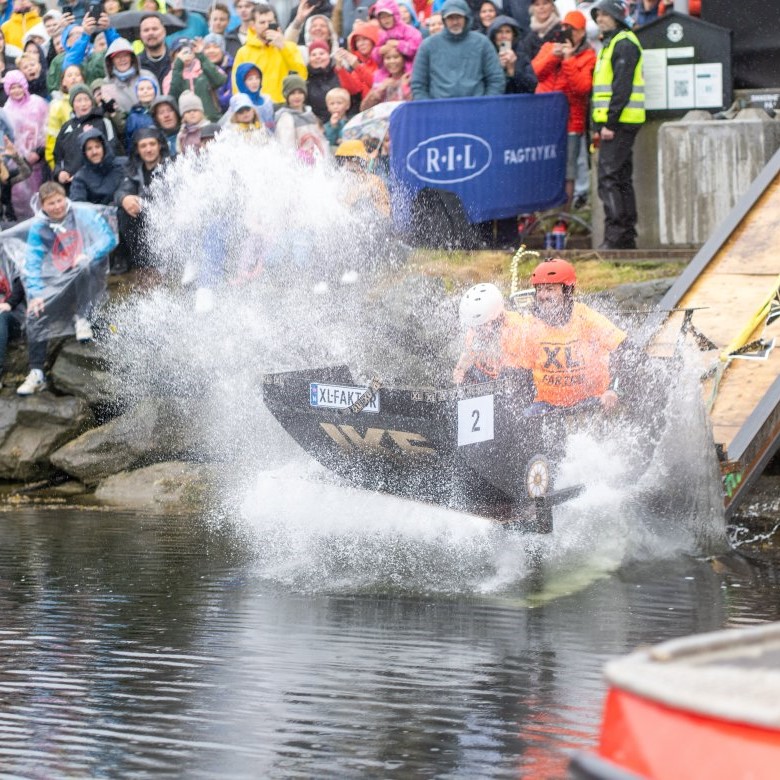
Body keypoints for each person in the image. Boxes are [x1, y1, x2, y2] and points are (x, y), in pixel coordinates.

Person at [17, 181, 117, 395]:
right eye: (50, 203)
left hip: (88, 275)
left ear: (65, 198)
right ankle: (36, 372)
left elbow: (108, 237)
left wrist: (88, 253)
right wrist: (35, 295)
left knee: (83, 266)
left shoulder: (81, 214)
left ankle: (82, 317)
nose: (56, 206)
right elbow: (32, 263)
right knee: (35, 313)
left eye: (59, 200)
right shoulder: (39, 227)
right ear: (43, 205)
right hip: (58, 282)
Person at [504, 258, 634, 410]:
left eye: (550, 289)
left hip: (593, 401)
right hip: (547, 406)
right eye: (539, 289)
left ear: (567, 291)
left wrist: (614, 390)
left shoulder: (587, 318)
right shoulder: (529, 327)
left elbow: (627, 350)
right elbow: (518, 372)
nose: (543, 295)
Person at [590, 0, 644, 250]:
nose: (600, 18)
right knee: (620, 178)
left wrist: (608, 122)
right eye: (598, 15)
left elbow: (621, 88)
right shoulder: (612, 43)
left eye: (604, 14)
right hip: (616, 122)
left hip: (619, 123)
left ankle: (615, 237)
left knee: (610, 178)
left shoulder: (622, 43)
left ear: (616, 16)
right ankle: (625, 236)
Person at [532, 10, 595, 209]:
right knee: (545, 166)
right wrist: (554, 56)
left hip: (571, 122)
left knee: (568, 170)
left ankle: (563, 214)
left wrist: (568, 60)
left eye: (573, 30)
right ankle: (544, 212)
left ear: (582, 32)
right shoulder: (549, 47)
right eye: (566, 28)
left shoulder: (589, 55)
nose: (568, 33)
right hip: (545, 119)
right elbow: (536, 72)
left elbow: (582, 88)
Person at [411, 0, 504, 100]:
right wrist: (430, 108)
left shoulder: (482, 43)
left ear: (466, 18)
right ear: (444, 20)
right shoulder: (428, 45)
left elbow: (496, 79)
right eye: (450, 18)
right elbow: (418, 84)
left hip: (477, 108)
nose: (455, 22)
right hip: (439, 109)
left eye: (458, 17)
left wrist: (486, 104)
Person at [115, 126, 170, 269]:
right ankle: (139, 261)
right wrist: (124, 199)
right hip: (141, 216)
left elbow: (165, 194)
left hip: (166, 217)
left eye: (152, 144)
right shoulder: (134, 168)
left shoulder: (171, 166)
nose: (148, 149)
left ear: (159, 146)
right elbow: (121, 191)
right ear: (138, 150)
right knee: (122, 212)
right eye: (143, 146)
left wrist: (140, 201)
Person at [453, 282, 527, 385]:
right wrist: (460, 370)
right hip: (486, 378)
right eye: (475, 328)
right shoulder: (475, 328)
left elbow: (513, 378)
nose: (477, 332)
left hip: (512, 380)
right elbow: (467, 356)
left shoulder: (515, 332)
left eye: (481, 327)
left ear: (496, 319)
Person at [232, 3, 307, 104]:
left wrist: (283, 48)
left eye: (270, 22)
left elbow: (301, 76)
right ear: (253, 26)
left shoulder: (289, 47)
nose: (267, 26)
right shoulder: (244, 52)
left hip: (284, 105)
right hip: (256, 106)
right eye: (262, 22)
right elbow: (237, 84)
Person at [53, 83, 121, 189]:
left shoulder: (104, 122)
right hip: (71, 186)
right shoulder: (66, 127)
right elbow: (58, 157)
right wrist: (60, 173)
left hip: (100, 184)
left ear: (92, 102)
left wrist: (85, 175)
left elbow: (112, 151)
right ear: (72, 104)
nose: (83, 104)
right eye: (78, 100)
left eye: (86, 99)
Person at [2, 69, 47, 220]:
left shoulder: (38, 103)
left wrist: (40, 151)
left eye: (19, 86)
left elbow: (46, 128)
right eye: (12, 87)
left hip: (40, 160)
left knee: (42, 195)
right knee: (22, 201)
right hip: (18, 163)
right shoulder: (6, 110)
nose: (16, 91)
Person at [166, 36, 227, 122]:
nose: (186, 53)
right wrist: (179, 65)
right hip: (186, 124)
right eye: (179, 51)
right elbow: (172, 97)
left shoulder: (204, 66)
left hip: (212, 121)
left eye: (189, 49)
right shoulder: (170, 76)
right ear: (173, 55)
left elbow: (220, 80)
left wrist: (201, 55)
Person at [69, 126, 128, 205]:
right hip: (96, 215)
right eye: (89, 149)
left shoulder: (124, 164)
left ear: (104, 147)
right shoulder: (80, 177)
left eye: (97, 147)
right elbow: (78, 205)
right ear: (84, 153)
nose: (94, 152)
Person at [274, 73, 327, 158]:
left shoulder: (310, 114)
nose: (297, 96)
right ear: (286, 95)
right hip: (300, 162)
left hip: (315, 159)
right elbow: (286, 146)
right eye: (293, 93)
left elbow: (320, 139)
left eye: (300, 92)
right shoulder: (287, 118)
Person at [332, 21, 378, 109]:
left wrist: (357, 65)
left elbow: (377, 84)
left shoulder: (382, 60)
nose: (361, 43)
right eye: (357, 41)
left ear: (373, 39)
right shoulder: (362, 65)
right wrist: (340, 68)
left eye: (364, 39)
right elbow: (353, 89)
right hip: (370, 111)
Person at [486, 15, 536, 94]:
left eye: (508, 32)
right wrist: (498, 68)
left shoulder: (522, 57)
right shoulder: (487, 57)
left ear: (514, 35)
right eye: (499, 32)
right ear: (494, 36)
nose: (504, 36)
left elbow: (532, 86)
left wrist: (512, 71)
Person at [372, 0, 422, 78]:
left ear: (395, 15)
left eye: (388, 16)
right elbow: (375, 56)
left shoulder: (408, 30)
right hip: (388, 73)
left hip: (410, 71)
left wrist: (399, 44)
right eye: (382, 17)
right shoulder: (381, 34)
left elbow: (417, 49)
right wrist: (380, 51)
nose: (386, 20)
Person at [360, 45, 412, 110]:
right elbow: (364, 108)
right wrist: (380, 90)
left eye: (396, 57)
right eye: (388, 58)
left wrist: (405, 88)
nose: (392, 61)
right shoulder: (381, 80)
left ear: (404, 59)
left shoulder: (410, 78)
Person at [231, 62, 274, 130]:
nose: (255, 82)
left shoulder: (266, 100)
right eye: (250, 79)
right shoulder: (238, 101)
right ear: (242, 82)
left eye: (257, 78)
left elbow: (271, 124)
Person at [306, 39, 340, 124]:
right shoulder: (306, 79)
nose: (318, 57)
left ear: (329, 55)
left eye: (322, 53)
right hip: (318, 124)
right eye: (313, 55)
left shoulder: (339, 72)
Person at [138, 13, 172, 85]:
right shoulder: (136, 64)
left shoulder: (175, 59)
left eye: (155, 29)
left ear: (164, 31)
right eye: (146, 30)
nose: (151, 33)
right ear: (140, 35)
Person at [175, 89, 209, 154]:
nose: (192, 113)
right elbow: (179, 151)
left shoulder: (208, 128)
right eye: (188, 111)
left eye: (195, 110)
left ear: (201, 112)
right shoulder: (182, 134)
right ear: (183, 116)